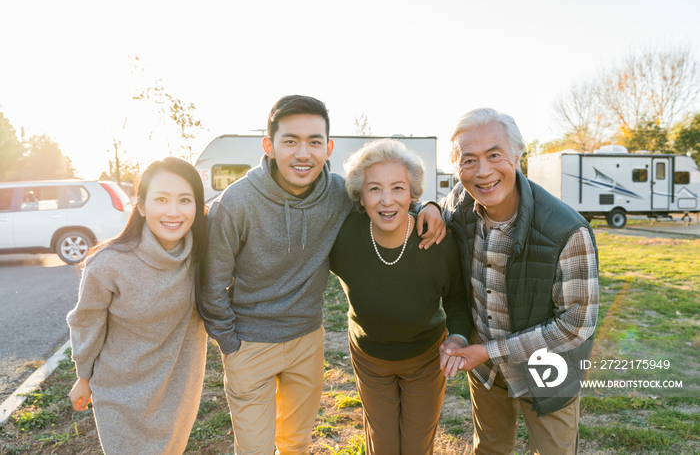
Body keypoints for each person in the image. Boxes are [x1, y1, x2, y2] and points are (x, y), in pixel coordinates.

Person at [197, 95, 445, 455]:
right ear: (269, 146)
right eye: (290, 141)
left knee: (296, 444)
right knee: (255, 449)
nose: (303, 154)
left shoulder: (337, 194)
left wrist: (428, 206)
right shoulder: (236, 204)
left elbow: (384, 197)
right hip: (249, 344)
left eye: (314, 142)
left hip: (307, 342)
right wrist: (230, 345)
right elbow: (212, 283)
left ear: (328, 148)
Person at [440, 108, 599, 455]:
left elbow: (576, 325)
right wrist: (425, 208)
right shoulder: (458, 204)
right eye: (469, 160)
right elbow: (435, 213)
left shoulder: (568, 230)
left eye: (494, 155)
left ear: (517, 154)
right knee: (490, 450)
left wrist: (489, 351)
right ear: (457, 168)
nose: (483, 171)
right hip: (486, 372)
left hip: (548, 373)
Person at [329, 139, 471, 455]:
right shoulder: (345, 235)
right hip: (370, 359)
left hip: (424, 357)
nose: (387, 200)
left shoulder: (435, 238)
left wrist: (459, 338)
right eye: (374, 189)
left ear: (412, 194)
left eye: (398, 188)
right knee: (382, 446)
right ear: (360, 196)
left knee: (416, 446)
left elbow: (458, 298)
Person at [67, 157, 208, 455]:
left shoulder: (206, 255)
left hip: (176, 390)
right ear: (141, 206)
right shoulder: (108, 264)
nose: (173, 212)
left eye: (185, 200)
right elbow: (87, 322)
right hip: (119, 394)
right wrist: (83, 377)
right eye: (160, 199)